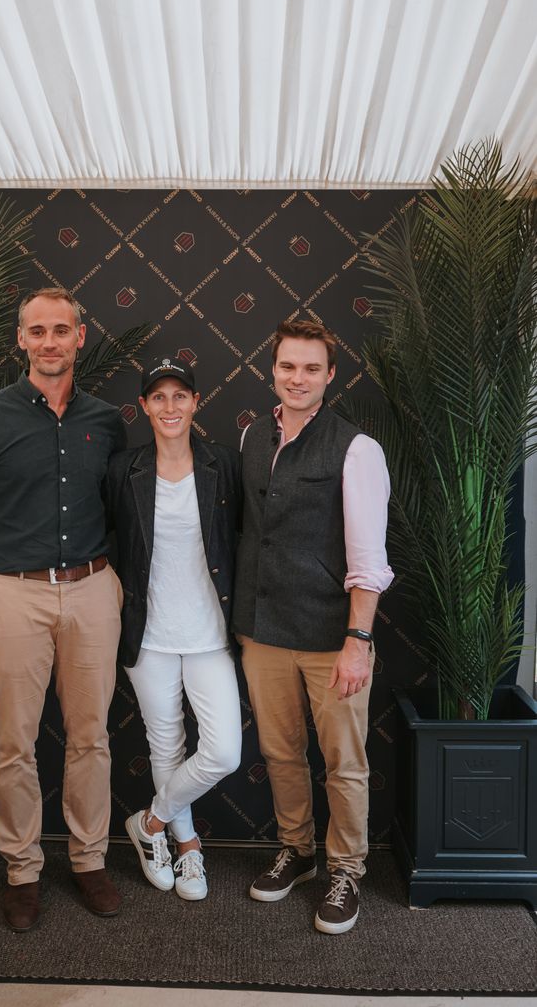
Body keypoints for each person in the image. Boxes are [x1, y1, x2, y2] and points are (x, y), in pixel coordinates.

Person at [0, 286, 126, 930]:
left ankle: (89, 860)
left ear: (81, 336)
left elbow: (125, 515)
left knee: (91, 737)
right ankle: (21, 870)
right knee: (12, 741)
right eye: (37, 331)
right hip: (11, 595)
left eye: (61, 330)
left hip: (93, 588)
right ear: (20, 340)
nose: (50, 341)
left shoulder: (107, 421)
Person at [233, 319, 393, 934]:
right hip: (263, 630)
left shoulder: (356, 449)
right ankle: (297, 851)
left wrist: (358, 642)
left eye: (310, 368)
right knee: (279, 752)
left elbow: (368, 560)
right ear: (272, 370)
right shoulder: (252, 436)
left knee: (343, 761)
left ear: (330, 375)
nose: (296, 378)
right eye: (287, 367)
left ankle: (345, 870)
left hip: (333, 638)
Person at [106, 355, 242, 900]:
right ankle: (188, 851)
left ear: (195, 402)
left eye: (179, 396)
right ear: (143, 406)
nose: (170, 406)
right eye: (158, 397)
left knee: (224, 751)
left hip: (210, 633)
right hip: (148, 634)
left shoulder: (223, 465)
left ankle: (150, 824)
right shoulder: (124, 470)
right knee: (165, 745)